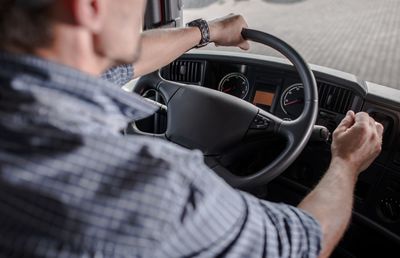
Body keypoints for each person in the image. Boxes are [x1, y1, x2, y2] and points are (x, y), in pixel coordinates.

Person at [0, 0, 383, 257]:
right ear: (89, 7)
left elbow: (113, 66)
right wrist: (346, 161)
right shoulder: (150, 185)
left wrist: (208, 32)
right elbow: (303, 242)